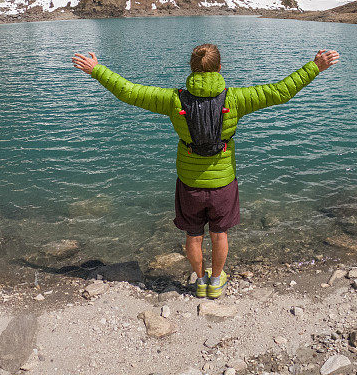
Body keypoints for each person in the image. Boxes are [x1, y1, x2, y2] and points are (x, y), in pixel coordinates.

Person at [72, 44, 339, 299]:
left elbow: (129, 91)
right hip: (223, 182)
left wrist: (97, 70)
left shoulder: (172, 99)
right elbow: (282, 91)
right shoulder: (236, 98)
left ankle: (199, 281)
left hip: (189, 183)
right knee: (219, 233)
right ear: (220, 67)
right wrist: (315, 66)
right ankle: (216, 280)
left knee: (193, 234)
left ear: (191, 68)